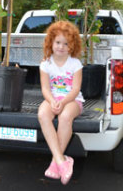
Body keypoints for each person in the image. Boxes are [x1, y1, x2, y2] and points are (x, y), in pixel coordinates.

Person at [38, 20, 84, 185]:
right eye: (58, 42)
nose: (61, 47)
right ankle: (61, 160)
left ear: (72, 46)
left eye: (66, 44)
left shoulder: (75, 64)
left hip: (72, 100)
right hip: (53, 98)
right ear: (51, 42)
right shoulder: (46, 63)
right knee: (43, 114)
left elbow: (76, 89)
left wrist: (63, 102)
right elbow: (45, 88)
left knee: (65, 117)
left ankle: (54, 162)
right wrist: (52, 101)